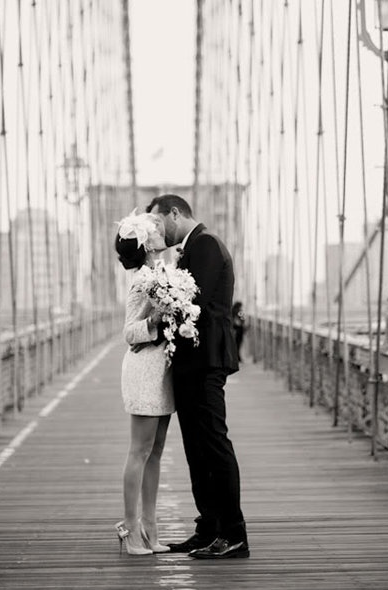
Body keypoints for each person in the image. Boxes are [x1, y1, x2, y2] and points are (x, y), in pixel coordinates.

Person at [147, 194, 249, 560]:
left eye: (158, 223)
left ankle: (233, 533)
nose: (156, 232)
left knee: (213, 445)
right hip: (192, 363)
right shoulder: (192, 247)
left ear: (175, 213)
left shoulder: (205, 244)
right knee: (196, 449)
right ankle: (208, 528)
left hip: (205, 361)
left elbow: (196, 305)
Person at [114, 210, 180, 556]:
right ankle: (130, 530)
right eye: (154, 230)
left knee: (154, 453)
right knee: (139, 451)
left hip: (163, 371)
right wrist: (154, 320)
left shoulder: (163, 273)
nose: (161, 231)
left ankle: (151, 529)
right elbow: (128, 332)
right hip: (143, 370)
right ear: (147, 244)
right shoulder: (143, 279)